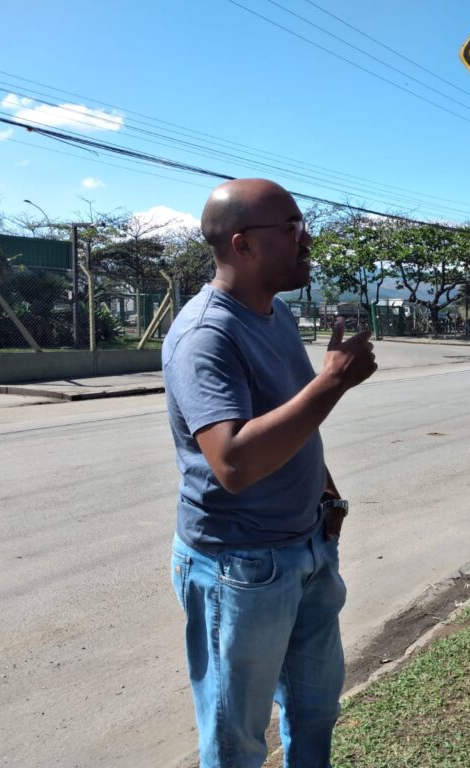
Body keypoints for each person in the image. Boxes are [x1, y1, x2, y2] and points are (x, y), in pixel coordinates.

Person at [162, 178, 377, 768]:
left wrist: (326, 492)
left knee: (315, 715)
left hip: (306, 550)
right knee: (237, 743)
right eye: (292, 227)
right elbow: (232, 462)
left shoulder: (274, 314)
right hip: (239, 568)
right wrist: (333, 381)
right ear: (243, 245)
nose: (307, 238)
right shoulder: (207, 335)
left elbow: (289, 415)